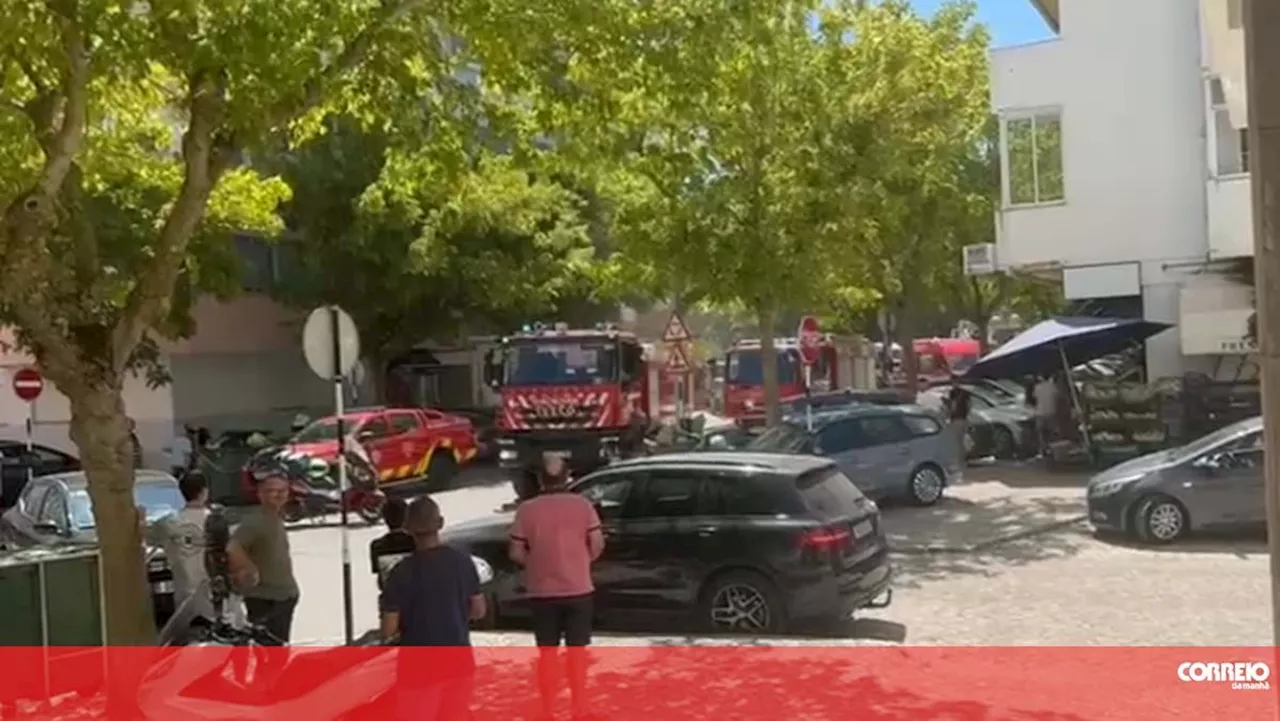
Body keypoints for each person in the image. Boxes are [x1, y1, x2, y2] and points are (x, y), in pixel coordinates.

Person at [509, 456, 605, 720]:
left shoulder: (526, 510)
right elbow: (597, 544)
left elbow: (516, 552)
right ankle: (579, 707)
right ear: (567, 477)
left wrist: (536, 563)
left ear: (541, 480)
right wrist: (580, 560)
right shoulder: (583, 506)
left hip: (542, 593)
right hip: (578, 590)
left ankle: (549, 709)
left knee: (547, 655)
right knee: (577, 654)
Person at [379, 496, 485, 720]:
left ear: (407, 528)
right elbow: (479, 610)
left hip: (418, 667)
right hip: (459, 659)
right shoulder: (463, 562)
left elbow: (389, 628)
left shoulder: (400, 572)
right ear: (441, 523)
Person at [227, 472, 300, 644]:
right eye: (272, 491)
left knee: (278, 650)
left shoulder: (274, 516)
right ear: (260, 494)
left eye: (282, 490)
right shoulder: (255, 521)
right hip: (267, 598)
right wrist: (249, 569)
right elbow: (232, 547)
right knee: (270, 653)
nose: (278, 494)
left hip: (283, 596)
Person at [148, 471, 215, 621]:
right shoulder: (216, 520)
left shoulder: (167, 523)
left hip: (184, 600)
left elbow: (146, 538)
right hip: (212, 600)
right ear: (205, 491)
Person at [370, 498, 414, 591]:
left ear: (385, 519)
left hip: (391, 598)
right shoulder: (416, 541)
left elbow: (381, 581)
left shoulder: (376, 545)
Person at [1034, 373, 1059, 447]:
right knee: (1052, 432)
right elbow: (1057, 396)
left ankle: (1043, 449)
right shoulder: (1053, 386)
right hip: (1051, 412)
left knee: (1041, 433)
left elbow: (1035, 397)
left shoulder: (1037, 387)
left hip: (1040, 412)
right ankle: (1053, 448)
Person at [947, 385, 971, 457]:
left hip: (959, 418)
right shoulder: (954, 393)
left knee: (958, 438)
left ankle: (961, 454)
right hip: (959, 418)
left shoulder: (961, 393)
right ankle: (962, 454)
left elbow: (952, 406)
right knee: (960, 438)